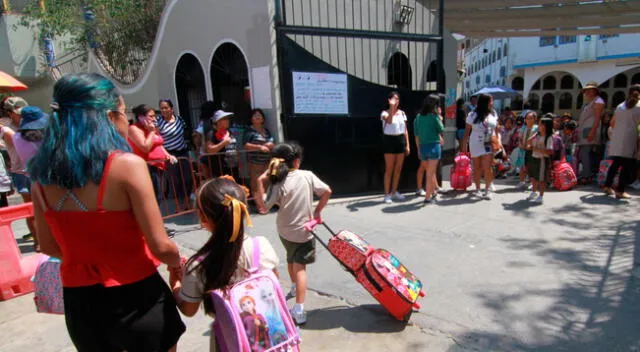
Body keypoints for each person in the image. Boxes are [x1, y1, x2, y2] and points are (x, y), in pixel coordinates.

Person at [28, 73, 185, 351]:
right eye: (124, 113)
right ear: (109, 117)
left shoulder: (40, 177)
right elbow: (161, 246)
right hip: (138, 297)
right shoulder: (127, 166)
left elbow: (49, 245)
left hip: (82, 305)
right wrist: (177, 262)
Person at [171, 176, 280, 350]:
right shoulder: (261, 245)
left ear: (203, 218)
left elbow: (188, 310)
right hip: (269, 339)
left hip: (231, 341)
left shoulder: (198, 266)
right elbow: (273, 287)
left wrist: (176, 283)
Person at [257, 142, 332, 325]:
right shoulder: (307, 176)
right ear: (296, 161)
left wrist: (260, 181)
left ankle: (293, 287)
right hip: (304, 231)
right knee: (300, 268)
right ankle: (299, 309)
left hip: (284, 230)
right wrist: (317, 212)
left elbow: (264, 207)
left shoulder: (276, 182)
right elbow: (327, 191)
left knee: (291, 258)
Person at [1, 96, 37, 244]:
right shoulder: (7, 129)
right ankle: (38, 242)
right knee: (31, 209)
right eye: (18, 112)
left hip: (33, 170)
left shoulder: (30, 123)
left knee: (41, 208)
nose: (21, 115)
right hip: (21, 173)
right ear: (10, 113)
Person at [128, 104, 178, 202]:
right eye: (151, 116)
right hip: (147, 167)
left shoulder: (152, 128)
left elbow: (159, 144)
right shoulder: (134, 129)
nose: (154, 119)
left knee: (159, 196)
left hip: (159, 167)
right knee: (153, 198)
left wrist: (168, 155)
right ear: (140, 117)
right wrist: (151, 132)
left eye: (154, 116)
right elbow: (145, 147)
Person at [603, 85, 640, 199]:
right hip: (630, 138)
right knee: (626, 166)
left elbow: (612, 123)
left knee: (615, 163)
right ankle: (620, 191)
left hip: (617, 139)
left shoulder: (620, 106)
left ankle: (607, 186)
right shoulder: (638, 106)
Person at [462, 93, 499, 200]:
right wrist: (464, 146)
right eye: (491, 101)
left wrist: (498, 143)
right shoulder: (472, 115)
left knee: (487, 168)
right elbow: (466, 132)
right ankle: (477, 189)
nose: (492, 103)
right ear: (485, 102)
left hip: (488, 145)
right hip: (475, 144)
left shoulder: (492, 115)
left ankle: (487, 190)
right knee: (476, 168)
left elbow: (496, 131)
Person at [157, 99, 193, 203]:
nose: (164, 110)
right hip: (169, 153)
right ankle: (178, 203)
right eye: (162, 108)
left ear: (171, 109)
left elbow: (186, 132)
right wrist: (166, 154)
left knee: (188, 178)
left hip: (183, 151)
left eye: (166, 107)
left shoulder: (180, 120)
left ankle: (187, 199)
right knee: (175, 180)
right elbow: (158, 140)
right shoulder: (158, 121)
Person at [414, 94, 444, 204]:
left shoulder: (418, 117)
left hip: (423, 147)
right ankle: (428, 197)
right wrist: (440, 117)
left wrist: (418, 149)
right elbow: (441, 129)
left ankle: (433, 192)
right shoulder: (434, 117)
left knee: (429, 171)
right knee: (431, 173)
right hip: (434, 147)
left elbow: (416, 135)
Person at [244, 109, 275, 214]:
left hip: (266, 161)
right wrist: (259, 147)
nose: (258, 116)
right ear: (251, 118)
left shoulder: (266, 131)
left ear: (263, 118)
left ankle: (265, 204)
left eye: (259, 115)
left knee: (265, 184)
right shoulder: (249, 131)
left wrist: (270, 145)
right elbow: (246, 145)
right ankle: (259, 206)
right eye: (255, 115)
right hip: (254, 162)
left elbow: (272, 142)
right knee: (256, 185)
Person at [380, 91, 410, 204]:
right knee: (389, 169)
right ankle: (387, 194)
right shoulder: (384, 113)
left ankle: (394, 191)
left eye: (397, 99)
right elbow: (390, 121)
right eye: (393, 99)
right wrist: (392, 107)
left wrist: (407, 144)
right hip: (389, 141)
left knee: (398, 168)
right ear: (389, 100)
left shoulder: (402, 113)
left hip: (400, 140)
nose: (395, 101)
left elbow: (405, 130)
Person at [577, 81, 605, 184]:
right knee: (585, 153)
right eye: (586, 90)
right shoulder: (589, 102)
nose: (587, 92)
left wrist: (592, 132)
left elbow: (597, 118)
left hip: (590, 130)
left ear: (595, 91)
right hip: (585, 129)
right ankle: (587, 174)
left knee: (585, 153)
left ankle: (586, 175)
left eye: (590, 90)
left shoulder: (598, 101)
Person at [526, 117, 554, 203]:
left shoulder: (549, 138)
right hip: (534, 158)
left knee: (542, 179)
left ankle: (541, 196)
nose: (539, 125)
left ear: (546, 126)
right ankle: (534, 192)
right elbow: (529, 142)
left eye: (541, 124)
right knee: (534, 177)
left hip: (542, 159)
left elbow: (550, 151)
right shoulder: (537, 135)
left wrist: (536, 149)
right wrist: (533, 138)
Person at [205, 110, 239, 180]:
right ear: (218, 121)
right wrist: (223, 143)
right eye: (225, 119)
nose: (228, 120)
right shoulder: (211, 134)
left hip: (233, 167)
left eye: (227, 118)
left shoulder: (230, 132)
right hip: (220, 168)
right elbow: (210, 150)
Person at [516, 111, 538, 190]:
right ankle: (522, 182)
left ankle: (533, 183)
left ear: (534, 119)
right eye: (527, 118)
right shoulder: (523, 127)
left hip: (532, 150)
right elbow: (520, 138)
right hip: (522, 150)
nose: (529, 120)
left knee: (531, 168)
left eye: (531, 118)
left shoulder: (537, 128)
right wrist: (521, 144)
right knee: (522, 167)